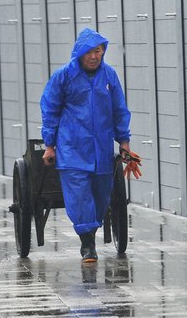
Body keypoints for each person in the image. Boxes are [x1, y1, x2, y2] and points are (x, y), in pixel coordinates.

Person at [40, 28, 131, 262]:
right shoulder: (64, 76)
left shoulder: (109, 76)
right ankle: (88, 245)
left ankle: (91, 231)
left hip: (101, 149)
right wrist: (50, 144)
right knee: (80, 195)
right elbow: (50, 108)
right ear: (79, 53)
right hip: (72, 148)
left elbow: (119, 110)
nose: (94, 56)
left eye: (98, 51)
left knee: (101, 196)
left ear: (103, 52)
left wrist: (124, 141)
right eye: (89, 52)